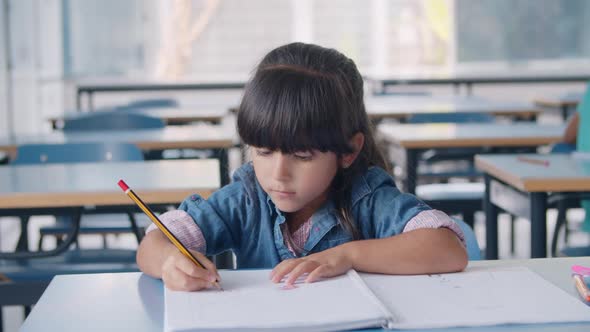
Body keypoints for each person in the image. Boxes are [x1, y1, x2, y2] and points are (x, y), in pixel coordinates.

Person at [136, 42, 467, 291]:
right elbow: (152, 245)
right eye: (264, 151)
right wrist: (170, 261)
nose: (278, 174)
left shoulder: (367, 197)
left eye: (302, 156)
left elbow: (449, 249)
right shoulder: (246, 197)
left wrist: (347, 256)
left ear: (349, 150)